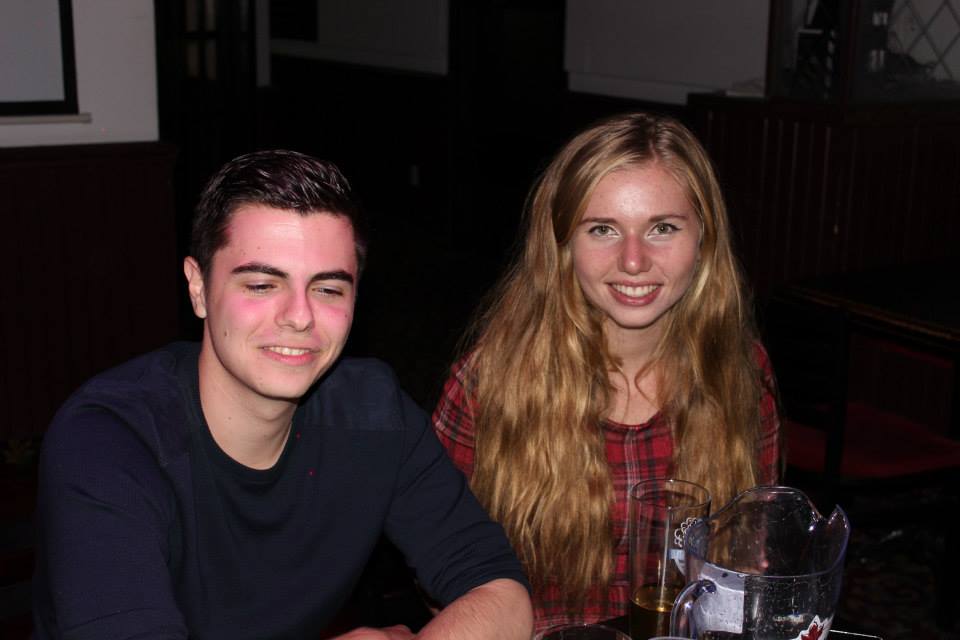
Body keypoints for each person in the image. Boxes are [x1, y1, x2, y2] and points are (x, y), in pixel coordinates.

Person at [33, 150, 533, 640]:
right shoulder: (108, 441)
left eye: (328, 289)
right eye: (261, 284)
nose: (299, 316)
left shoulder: (374, 412)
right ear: (198, 287)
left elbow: (501, 590)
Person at [432, 113, 781, 631]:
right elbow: (444, 575)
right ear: (562, 244)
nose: (633, 261)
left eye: (662, 228)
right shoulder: (488, 384)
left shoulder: (740, 372)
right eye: (602, 229)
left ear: (704, 239)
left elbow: (749, 562)